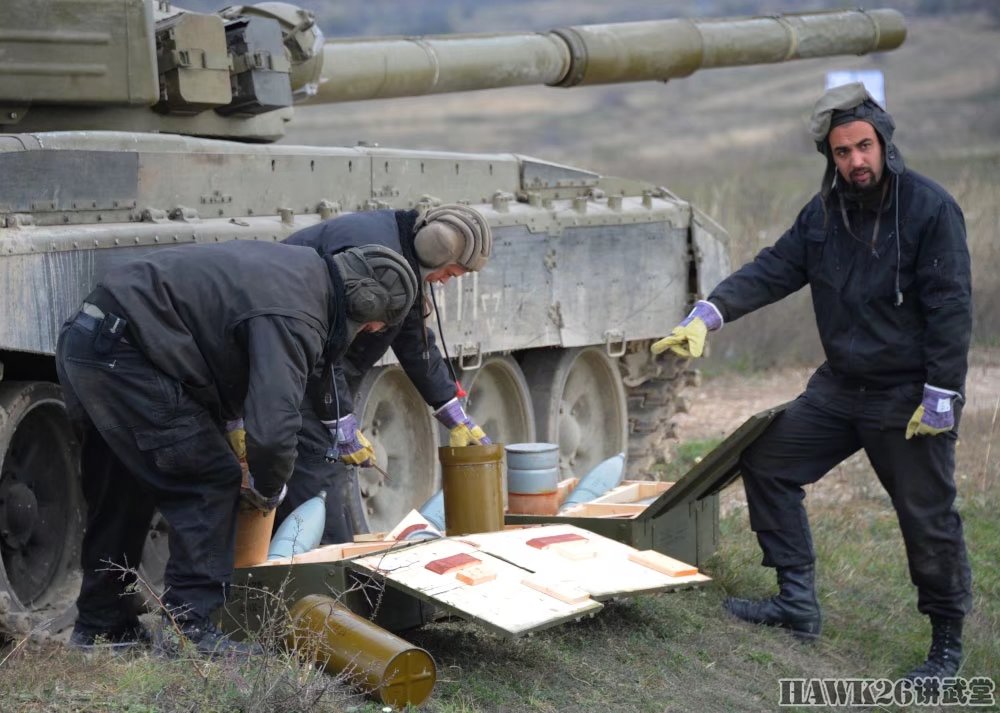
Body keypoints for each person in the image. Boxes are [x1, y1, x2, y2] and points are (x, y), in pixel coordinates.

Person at [653, 83, 972, 681]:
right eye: (842, 151)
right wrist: (709, 313)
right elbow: (776, 267)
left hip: (906, 396)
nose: (855, 160)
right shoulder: (824, 212)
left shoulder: (930, 209)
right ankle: (796, 601)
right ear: (830, 157)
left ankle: (946, 643)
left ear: (884, 143)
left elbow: (951, 306)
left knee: (927, 517)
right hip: (840, 386)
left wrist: (941, 393)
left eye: (864, 146)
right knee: (769, 461)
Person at [56, 240, 417, 655]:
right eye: (376, 325)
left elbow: (219, 344)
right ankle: (188, 632)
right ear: (363, 304)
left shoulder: (302, 273)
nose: (372, 333)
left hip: (91, 341)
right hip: (130, 356)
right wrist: (268, 488)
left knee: (124, 485)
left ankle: (101, 627)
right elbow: (275, 424)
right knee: (210, 481)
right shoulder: (298, 314)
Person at [278, 204, 493, 543]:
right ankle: (323, 578)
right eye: (450, 274)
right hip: (296, 360)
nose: (446, 283)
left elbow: (413, 338)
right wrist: (339, 417)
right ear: (434, 250)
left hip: (311, 365)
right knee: (318, 468)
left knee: (319, 466)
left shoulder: (400, 258)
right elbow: (324, 347)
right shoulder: (374, 258)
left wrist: (451, 410)